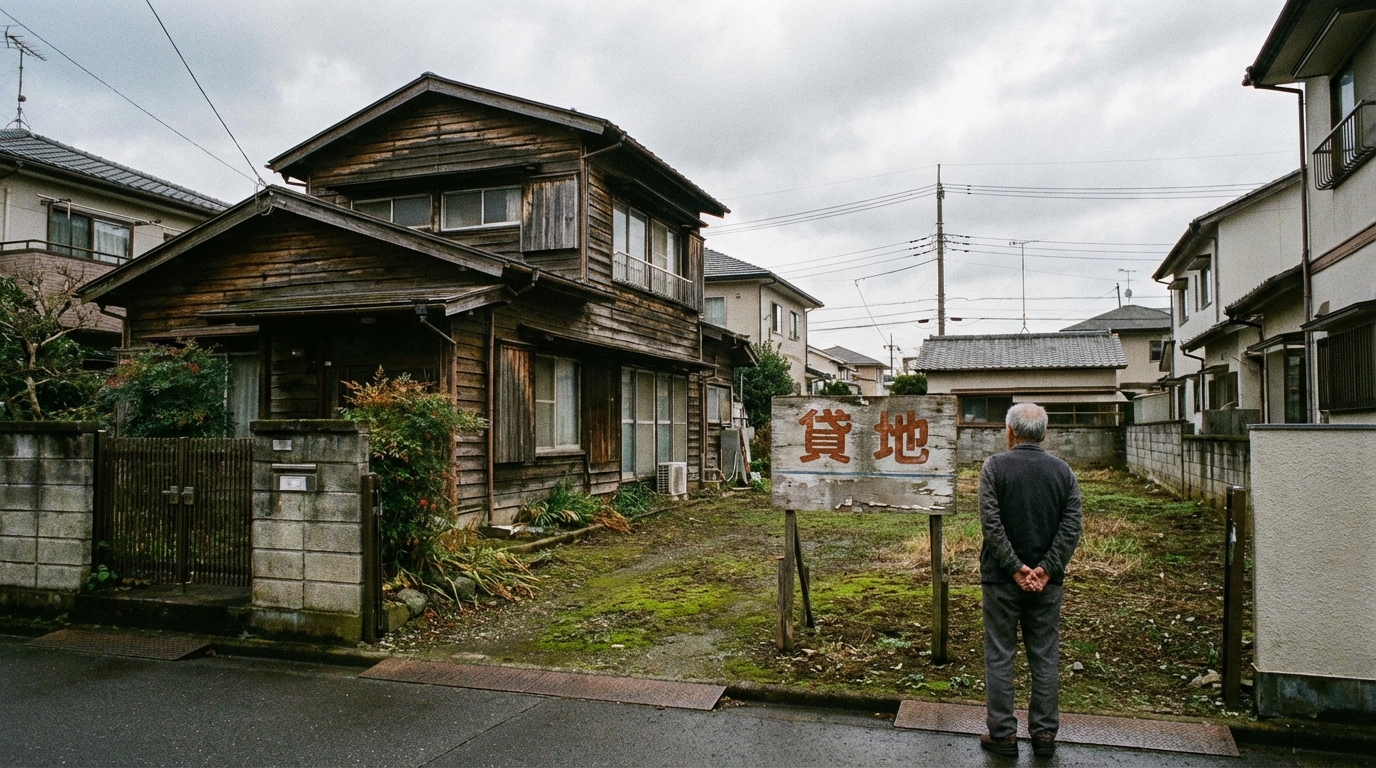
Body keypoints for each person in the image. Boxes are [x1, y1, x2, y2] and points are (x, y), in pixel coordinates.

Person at [977, 402, 1082, 758]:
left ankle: (1003, 735)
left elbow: (991, 523)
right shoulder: (1063, 472)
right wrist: (1046, 569)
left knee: (1000, 655)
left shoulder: (994, 467)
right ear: (1045, 433)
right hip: (1048, 585)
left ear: (1009, 431)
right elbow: (1072, 526)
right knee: (1045, 656)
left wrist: (1014, 568)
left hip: (999, 581)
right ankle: (1044, 737)